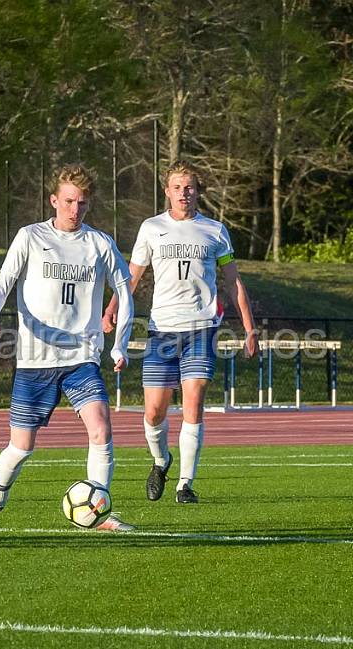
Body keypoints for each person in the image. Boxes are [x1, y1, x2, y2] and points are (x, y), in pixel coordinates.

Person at [0, 163, 135, 532]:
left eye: (83, 203)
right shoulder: (30, 236)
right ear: (54, 200)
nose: (76, 210)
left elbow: (124, 292)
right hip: (35, 359)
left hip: (82, 358)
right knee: (21, 446)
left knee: (101, 429)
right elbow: (4, 280)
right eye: (70, 201)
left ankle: (98, 508)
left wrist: (119, 344)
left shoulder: (99, 243)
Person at [103, 160, 257, 504]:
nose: (183, 193)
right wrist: (112, 307)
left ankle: (185, 484)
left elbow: (233, 282)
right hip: (162, 332)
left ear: (198, 191)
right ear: (167, 191)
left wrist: (249, 329)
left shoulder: (215, 231)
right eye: (177, 187)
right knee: (154, 412)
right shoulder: (151, 228)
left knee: (193, 405)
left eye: (189, 187)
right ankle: (161, 460)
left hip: (201, 329)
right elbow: (131, 276)